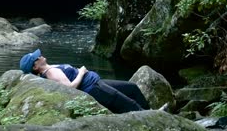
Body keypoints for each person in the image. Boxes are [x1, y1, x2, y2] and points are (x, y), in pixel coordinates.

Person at [19, 49, 155, 114]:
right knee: (129, 104)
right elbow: (70, 88)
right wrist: (82, 72)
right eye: (37, 58)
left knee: (132, 88)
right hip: (94, 89)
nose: (41, 55)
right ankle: (153, 118)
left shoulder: (50, 68)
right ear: (35, 67)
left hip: (96, 83)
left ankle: (151, 112)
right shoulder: (50, 73)